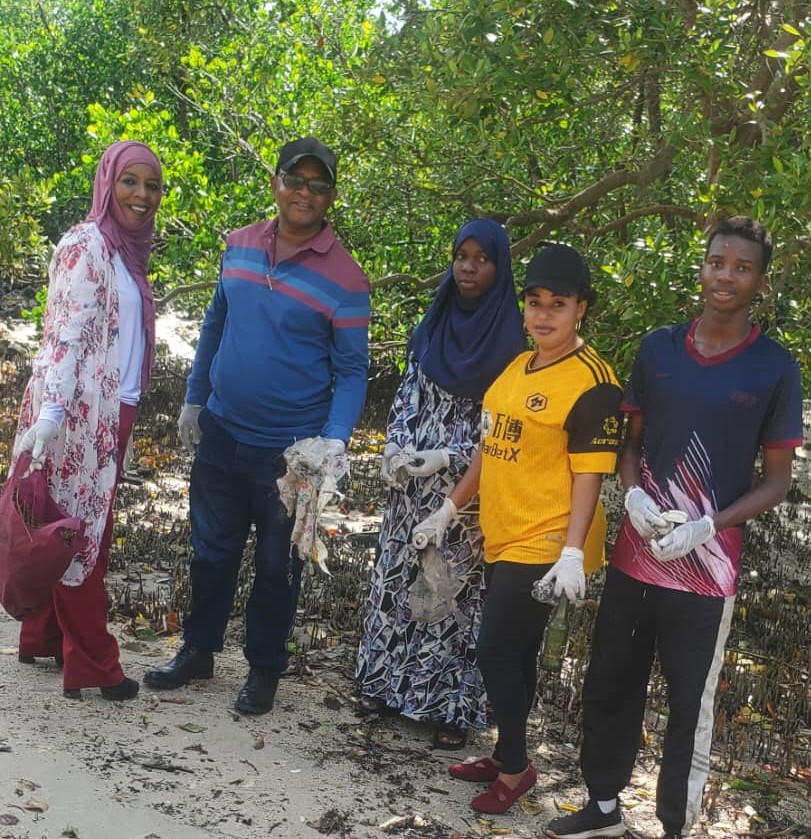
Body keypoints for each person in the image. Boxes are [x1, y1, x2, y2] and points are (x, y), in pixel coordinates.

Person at [545, 217, 803, 839]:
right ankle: (602, 805)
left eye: (740, 267)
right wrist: (630, 495)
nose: (725, 275)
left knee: (689, 700)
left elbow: (776, 482)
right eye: (717, 261)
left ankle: (672, 832)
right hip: (636, 554)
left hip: (705, 568)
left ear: (758, 282)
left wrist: (706, 525)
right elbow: (629, 444)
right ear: (702, 267)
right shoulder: (657, 349)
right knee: (609, 680)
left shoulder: (774, 368)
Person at [144, 136, 370, 716]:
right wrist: (194, 400)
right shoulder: (238, 246)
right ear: (276, 182)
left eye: (319, 185)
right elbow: (215, 324)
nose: (305, 192)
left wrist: (333, 444)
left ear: (331, 197)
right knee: (210, 553)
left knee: (277, 566)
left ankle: (264, 669)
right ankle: (197, 651)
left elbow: (350, 371)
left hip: (288, 456)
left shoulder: (347, 278)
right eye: (296, 179)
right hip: (221, 432)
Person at [415, 243, 623, 813]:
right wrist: (450, 508)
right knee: (519, 652)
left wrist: (574, 553)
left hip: (549, 540)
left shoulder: (594, 382)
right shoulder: (516, 367)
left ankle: (514, 768)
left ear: (581, 308)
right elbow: (490, 446)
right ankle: (510, 747)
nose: (544, 314)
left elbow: (590, 477)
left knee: (496, 651)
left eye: (559, 303)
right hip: (503, 534)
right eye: (534, 302)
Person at [355, 218, 525, 749]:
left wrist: (446, 458)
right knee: (397, 577)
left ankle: (449, 706)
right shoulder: (435, 321)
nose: (468, 267)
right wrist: (395, 447)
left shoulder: (511, 343)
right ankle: (386, 686)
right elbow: (408, 391)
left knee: (453, 593)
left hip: (464, 495)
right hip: (408, 487)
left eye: (482, 258)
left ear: (499, 268)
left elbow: (499, 432)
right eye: (461, 256)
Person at [11, 140, 164, 701]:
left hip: (109, 411)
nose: (141, 195)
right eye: (130, 182)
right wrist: (50, 416)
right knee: (83, 538)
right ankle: (97, 664)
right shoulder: (87, 245)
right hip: (74, 416)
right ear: (108, 183)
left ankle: (41, 635)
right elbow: (63, 337)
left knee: (63, 521)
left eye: (152, 185)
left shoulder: (125, 251)